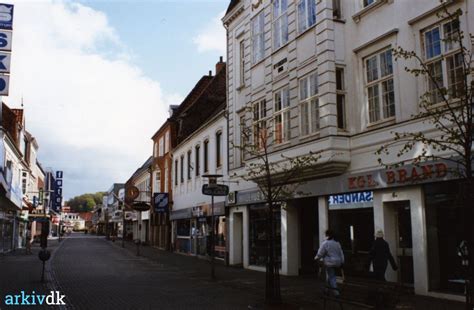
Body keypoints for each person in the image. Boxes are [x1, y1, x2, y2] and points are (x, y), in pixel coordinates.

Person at [315, 230, 345, 296]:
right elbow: (341, 253)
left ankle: (336, 293)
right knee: (329, 275)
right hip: (338, 262)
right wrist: (342, 261)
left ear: (327, 235)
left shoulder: (325, 243)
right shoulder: (337, 243)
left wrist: (316, 258)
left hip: (330, 262)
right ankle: (326, 290)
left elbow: (320, 253)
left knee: (331, 276)